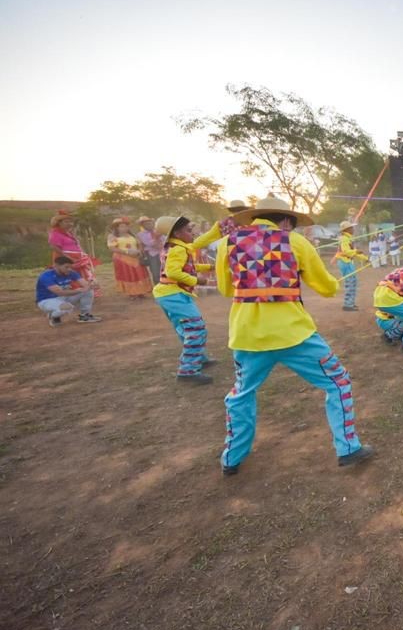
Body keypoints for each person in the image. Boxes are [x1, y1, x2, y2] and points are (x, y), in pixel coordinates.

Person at [216, 196, 373, 475]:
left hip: (247, 336)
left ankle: (232, 458)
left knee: (241, 395)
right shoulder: (295, 242)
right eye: (294, 224)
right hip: (295, 335)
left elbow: (226, 290)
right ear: (286, 220)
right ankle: (348, 448)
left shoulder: (228, 242)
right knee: (338, 382)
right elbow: (326, 288)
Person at [152, 214, 229, 384]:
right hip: (173, 294)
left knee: (186, 329)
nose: (192, 233)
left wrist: (211, 266)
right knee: (196, 328)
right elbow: (173, 272)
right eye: (189, 230)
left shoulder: (174, 246)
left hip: (169, 294)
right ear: (177, 233)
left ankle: (198, 358)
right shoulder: (179, 248)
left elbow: (185, 266)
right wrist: (198, 280)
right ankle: (187, 371)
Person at [36, 256, 101, 326]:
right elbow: (59, 292)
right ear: (56, 266)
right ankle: (53, 315)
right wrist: (79, 290)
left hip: (63, 297)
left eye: (70, 267)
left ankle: (85, 315)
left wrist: (92, 284)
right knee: (67, 307)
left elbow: (85, 285)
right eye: (66, 267)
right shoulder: (46, 276)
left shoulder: (71, 273)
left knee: (88, 291)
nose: (69, 269)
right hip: (47, 300)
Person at [48, 211, 100, 291]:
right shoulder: (56, 233)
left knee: (81, 274)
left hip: (77, 257)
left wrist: (83, 254)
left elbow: (76, 245)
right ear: (59, 223)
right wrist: (67, 257)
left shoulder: (68, 233)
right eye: (66, 222)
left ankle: (85, 289)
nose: (70, 224)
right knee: (69, 272)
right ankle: (74, 291)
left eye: (70, 222)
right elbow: (54, 246)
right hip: (65, 257)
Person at [106, 217, 153, 298]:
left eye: (126, 226)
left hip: (135, 257)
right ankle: (132, 293)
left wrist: (139, 251)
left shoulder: (133, 236)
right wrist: (127, 252)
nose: (124, 228)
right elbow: (112, 248)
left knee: (139, 274)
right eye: (121, 226)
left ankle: (141, 291)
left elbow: (140, 244)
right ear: (117, 228)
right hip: (122, 259)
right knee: (129, 275)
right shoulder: (112, 237)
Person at [334, 221, 368, 311]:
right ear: (347, 229)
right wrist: (356, 252)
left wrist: (365, 258)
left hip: (347, 262)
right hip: (345, 262)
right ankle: (348, 304)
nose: (353, 229)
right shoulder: (344, 238)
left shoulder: (347, 238)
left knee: (352, 282)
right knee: (350, 282)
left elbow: (352, 251)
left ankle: (350, 303)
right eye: (351, 228)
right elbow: (346, 251)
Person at [136, 216, 165, 285]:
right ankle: (158, 287)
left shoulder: (158, 231)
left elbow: (165, 240)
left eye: (150, 223)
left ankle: (166, 286)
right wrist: (156, 238)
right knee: (155, 272)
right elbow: (149, 243)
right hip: (152, 255)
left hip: (162, 253)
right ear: (142, 225)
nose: (149, 225)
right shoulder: (141, 234)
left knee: (165, 271)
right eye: (146, 224)